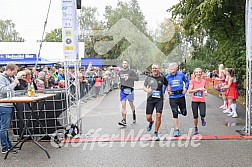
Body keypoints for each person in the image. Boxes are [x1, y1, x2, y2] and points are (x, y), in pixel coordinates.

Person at [143, 64, 168, 141]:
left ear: (158, 69)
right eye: (153, 68)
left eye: (156, 68)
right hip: (150, 99)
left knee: (158, 115)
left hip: (159, 100)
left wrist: (168, 91)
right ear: (151, 69)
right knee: (148, 117)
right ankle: (151, 122)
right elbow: (144, 86)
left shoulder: (162, 77)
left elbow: (167, 85)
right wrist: (147, 90)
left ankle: (156, 132)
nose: (154, 69)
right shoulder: (149, 77)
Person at [0, 63, 19, 154]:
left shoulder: (8, 77)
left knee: (5, 127)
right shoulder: (1, 78)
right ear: (9, 70)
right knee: (4, 127)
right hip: (4, 105)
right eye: (14, 72)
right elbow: (3, 90)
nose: (15, 74)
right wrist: (14, 83)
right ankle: (5, 147)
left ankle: (8, 145)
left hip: (9, 104)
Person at [166, 63, 189, 137]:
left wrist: (186, 88)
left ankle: (181, 110)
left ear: (176, 69)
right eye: (170, 69)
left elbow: (187, 81)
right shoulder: (167, 77)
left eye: (173, 68)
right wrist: (164, 92)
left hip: (181, 96)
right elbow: (164, 85)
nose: (172, 70)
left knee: (184, 113)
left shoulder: (181, 74)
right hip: (172, 97)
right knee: (174, 113)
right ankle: (176, 130)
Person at [118, 60, 139, 126]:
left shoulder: (131, 71)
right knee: (123, 105)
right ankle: (124, 120)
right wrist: (119, 83)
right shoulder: (120, 72)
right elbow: (120, 79)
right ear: (122, 64)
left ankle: (134, 113)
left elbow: (137, 78)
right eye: (123, 63)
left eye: (125, 63)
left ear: (128, 64)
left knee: (131, 104)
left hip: (129, 90)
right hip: (122, 90)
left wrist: (129, 78)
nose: (124, 64)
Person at [188, 68, 207, 135]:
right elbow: (190, 91)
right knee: (195, 116)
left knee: (203, 114)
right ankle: (195, 128)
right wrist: (198, 89)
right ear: (195, 73)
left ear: (201, 73)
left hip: (202, 100)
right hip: (194, 101)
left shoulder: (204, 81)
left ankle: (202, 118)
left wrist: (205, 92)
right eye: (197, 72)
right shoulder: (192, 81)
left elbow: (205, 89)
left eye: (200, 72)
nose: (198, 73)